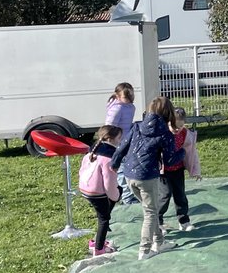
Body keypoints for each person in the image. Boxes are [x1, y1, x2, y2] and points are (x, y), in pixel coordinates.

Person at [111, 96, 184, 260]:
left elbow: (121, 148)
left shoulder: (136, 126)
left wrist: (114, 165)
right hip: (147, 177)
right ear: (168, 113)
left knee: (150, 209)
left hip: (130, 176)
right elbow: (170, 160)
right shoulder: (165, 134)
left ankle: (159, 241)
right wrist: (183, 152)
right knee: (150, 213)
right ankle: (144, 250)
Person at [78, 124, 122, 257]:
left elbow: (82, 171)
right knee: (104, 219)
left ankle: (98, 241)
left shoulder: (92, 151)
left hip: (85, 188)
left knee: (102, 213)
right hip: (97, 193)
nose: (121, 140)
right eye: (119, 138)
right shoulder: (109, 158)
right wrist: (116, 196)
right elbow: (109, 184)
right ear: (110, 139)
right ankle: (99, 249)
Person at [159, 107, 201, 233]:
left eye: (181, 126)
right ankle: (157, 222)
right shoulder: (163, 134)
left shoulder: (185, 134)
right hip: (163, 172)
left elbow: (191, 153)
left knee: (180, 195)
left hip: (177, 169)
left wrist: (195, 170)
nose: (177, 130)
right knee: (164, 196)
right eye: (175, 127)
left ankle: (183, 220)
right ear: (168, 123)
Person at [105, 83, 138, 205]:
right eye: (126, 97)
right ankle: (126, 197)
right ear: (118, 96)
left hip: (127, 141)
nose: (129, 99)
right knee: (122, 169)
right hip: (118, 143)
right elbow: (109, 127)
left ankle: (127, 194)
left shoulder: (130, 106)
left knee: (128, 166)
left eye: (131, 96)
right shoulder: (117, 108)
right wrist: (113, 141)